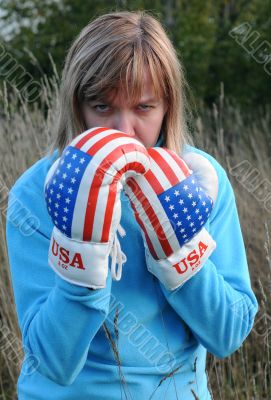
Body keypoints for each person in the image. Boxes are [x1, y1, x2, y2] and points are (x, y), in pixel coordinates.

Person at [5, 10, 258, 400]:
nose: (124, 131)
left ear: (168, 107)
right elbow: (53, 362)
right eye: (103, 108)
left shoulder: (201, 182)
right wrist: (81, 258)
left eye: (143, 107)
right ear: (77, 106)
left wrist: (181, 256)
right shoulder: (39, 192)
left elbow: (228, 334)